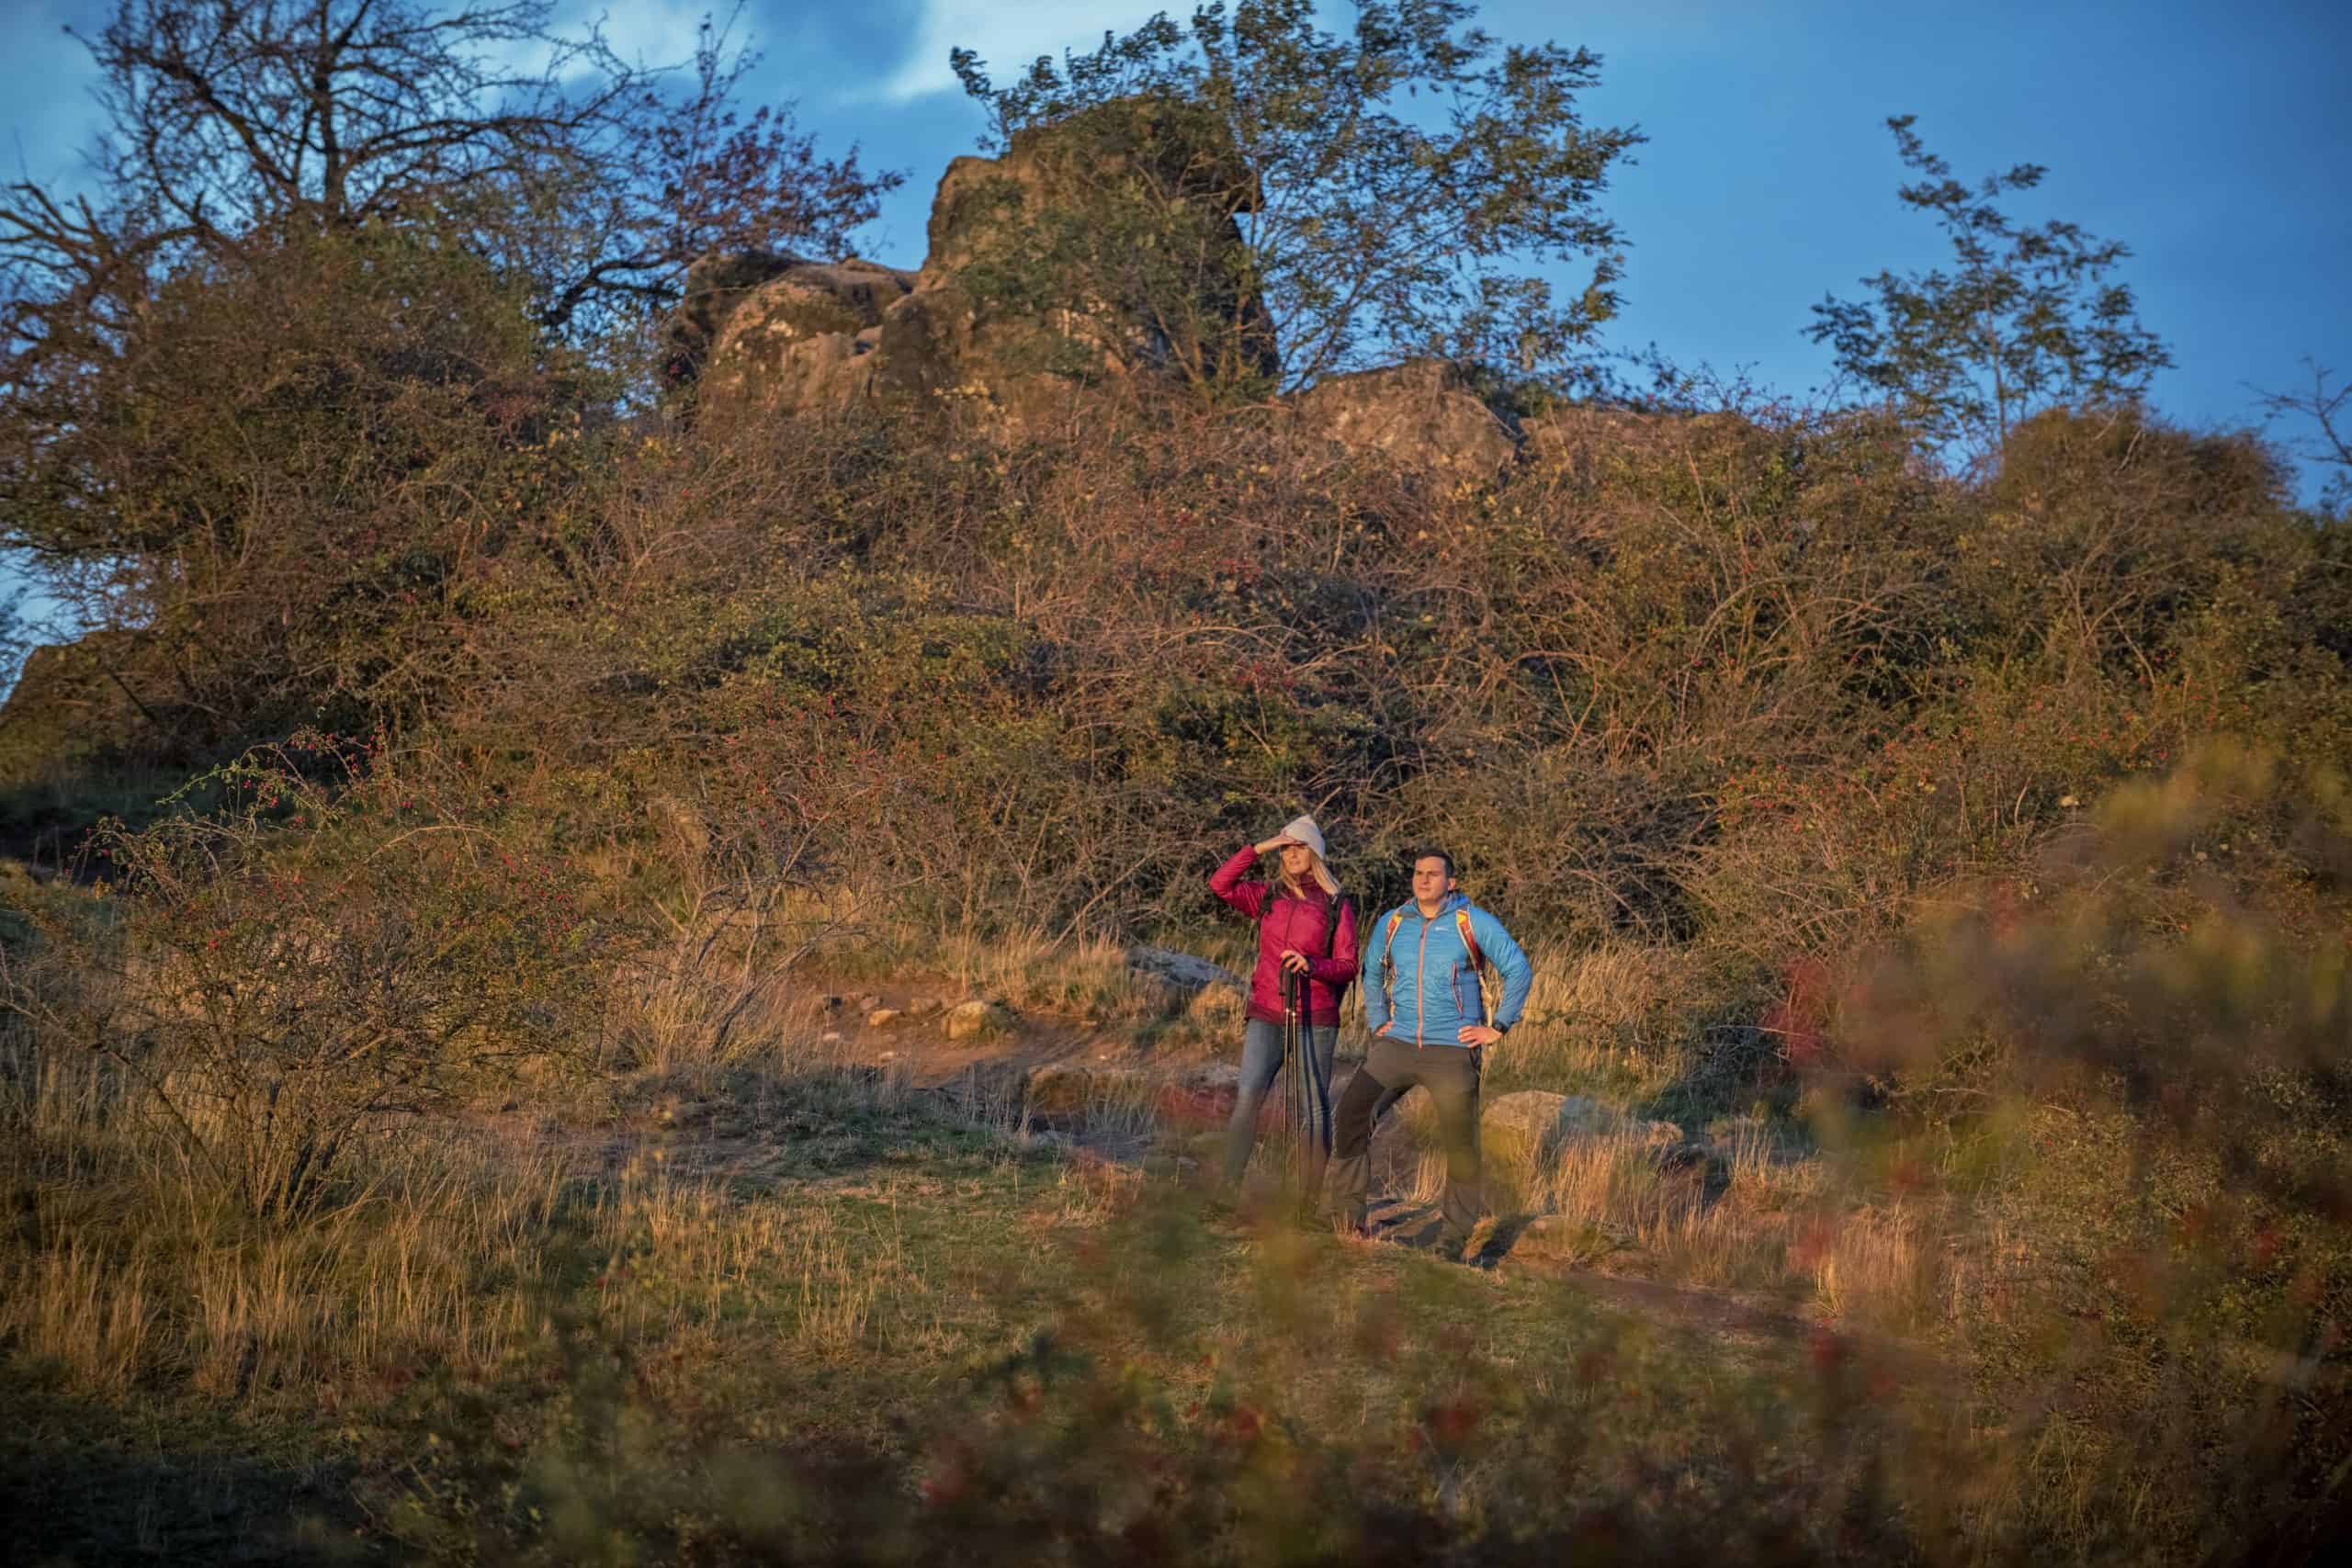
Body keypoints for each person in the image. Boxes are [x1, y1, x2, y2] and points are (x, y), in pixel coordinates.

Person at [1328, 849, 1532, 1259]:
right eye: (1418, 873)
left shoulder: (1471, 921)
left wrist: (1498, 1026)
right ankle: (1347, 1220)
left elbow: (1518, 969)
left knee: (1460, 1143)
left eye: (1433, 874)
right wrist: (1379, 1019)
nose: (1423, 880)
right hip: (1397, 1045)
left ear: (1450, 882)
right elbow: (1372, 971)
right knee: (1351, 1114)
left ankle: (1451, 1243)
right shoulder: (1393, 922)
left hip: (1452, 1050)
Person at [1206, 816, 1358, 1200]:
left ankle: (1307, 1203)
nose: (1291, 854)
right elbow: (1220, 884)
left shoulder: (1336, 903)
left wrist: (1312, 965)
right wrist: (1259, 848)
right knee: (1247, 1099)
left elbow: (1348, 965)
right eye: (1286, 848)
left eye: (1299, 847)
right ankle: (1226, 1193)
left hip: (1315, 1017)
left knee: (1314, 1108)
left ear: (1315, 853)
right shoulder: (1268, 894)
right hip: (1266, 1013)